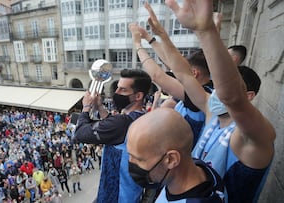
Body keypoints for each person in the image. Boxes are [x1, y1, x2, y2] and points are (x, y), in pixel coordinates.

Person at [144, 1, 276, 202]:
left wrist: (206, 32)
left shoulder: (253, 138)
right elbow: (183, 74)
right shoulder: (211, 112)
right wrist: (159, 35)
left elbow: (232, 98)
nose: (217, 92)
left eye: (224, 85)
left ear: (248, 96)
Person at [74, 68, 152, 202]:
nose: (116, 92)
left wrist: (86, 107)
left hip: (114, 196)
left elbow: (79, 134)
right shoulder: (144, 118)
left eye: (122, 90)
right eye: (117, 88)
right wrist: (100, 107)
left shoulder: (121, 123)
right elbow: (115, 131)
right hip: (132, 194)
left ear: (138, 96)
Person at [127, 108, 224, 202]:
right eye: (129, 155)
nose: (130, 162)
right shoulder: (197, 167)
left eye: (139, 159)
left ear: (171, 159)